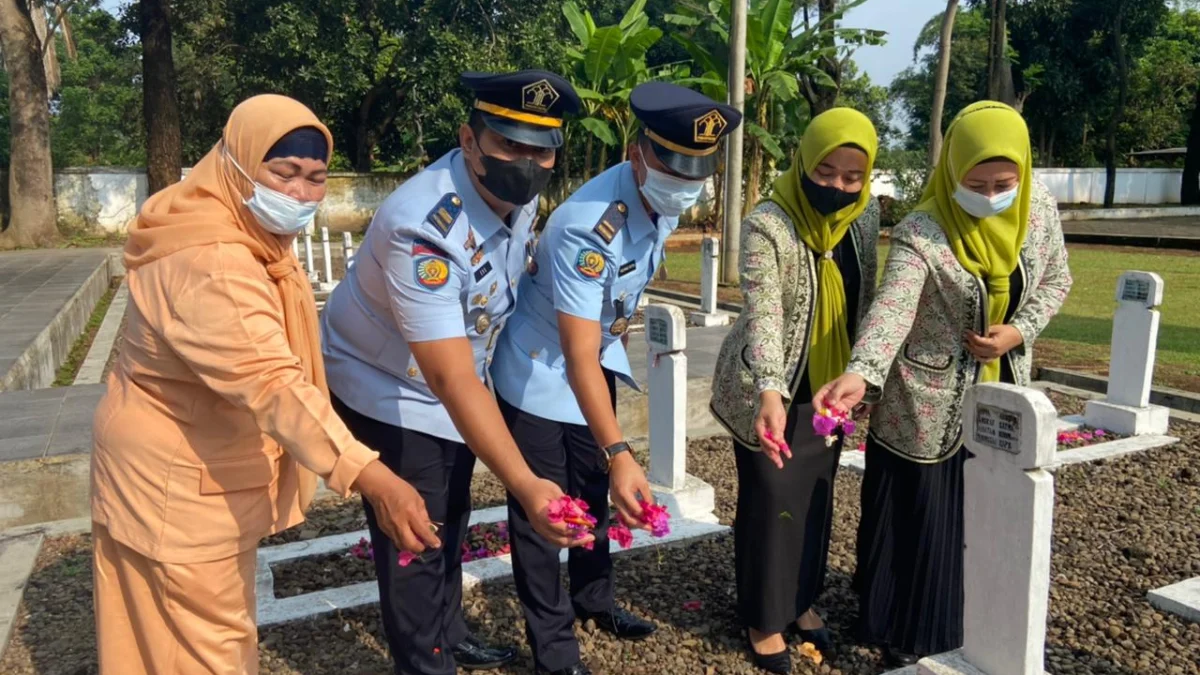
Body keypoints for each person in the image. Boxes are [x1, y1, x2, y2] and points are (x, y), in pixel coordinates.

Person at [89, 95, 441, 675]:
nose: (300, 194)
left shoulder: (217, 222)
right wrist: (374, 478)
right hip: (177, 484)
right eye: (283, 173)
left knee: (150, 638)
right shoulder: (214, 260)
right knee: (213, 647)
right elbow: (271, 382)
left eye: (316, 178)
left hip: (159, 461)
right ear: (237, 164)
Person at [320, 70, 590, 675]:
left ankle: (449, 632)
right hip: (387, 382)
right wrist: (525, 483)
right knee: (418, 528)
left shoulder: (521, 195)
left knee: (453, 505)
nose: (527, 161)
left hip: (452, 370)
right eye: (509, 145)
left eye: (541, 149)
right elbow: (448, 380)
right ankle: (425, 662)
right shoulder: (423, 227)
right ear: (470, 140)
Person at [488, 81, 742, 675]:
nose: (684, 180)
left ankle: (594, 603)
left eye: (696, 169)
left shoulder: (653, 205)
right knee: (543, 516)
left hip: (589, 365)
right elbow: (576, 353)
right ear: (637, 154)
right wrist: (622, 449)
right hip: (538, 375)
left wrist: (610, 451)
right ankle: (554, 653)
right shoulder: (589, 227)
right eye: (670, 164)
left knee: (593, 493)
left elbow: (609, 321)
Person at [814, 102, 1072, 666]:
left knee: (987, 508)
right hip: (923, 402)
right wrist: (862, 371)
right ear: (951, 169)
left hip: (1003, 389)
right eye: (973, 182)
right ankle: (904, 626)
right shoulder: (923, 229)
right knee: (925, 515)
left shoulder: (1040, 211)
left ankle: (978, 617)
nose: (989, 194)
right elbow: (893, 310)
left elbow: (1056, 281)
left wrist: (1018, 332)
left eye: (1003, 183)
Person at [709, 108, 880, 674]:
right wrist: (771, 393)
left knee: (815, 498)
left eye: (851, 177)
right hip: (767, 386)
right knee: (771, 499)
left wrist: (861, 374)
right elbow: (765, 313)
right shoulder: (768, 223)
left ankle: (800, 600)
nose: (836, 186)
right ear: (805, 160)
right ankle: (762, 617)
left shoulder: (865, 216)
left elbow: (868, 293)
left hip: (830, 390)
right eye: (825, 171)